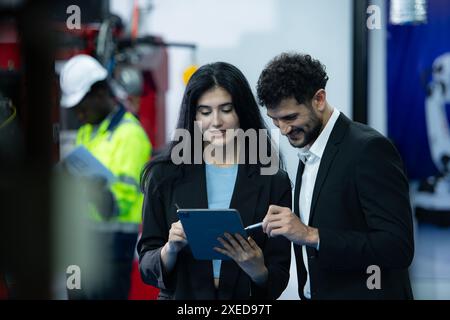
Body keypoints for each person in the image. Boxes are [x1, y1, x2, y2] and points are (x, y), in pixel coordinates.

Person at [257, 53, 414, 300]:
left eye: (290, 117)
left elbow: (397, 247)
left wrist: (310, 234)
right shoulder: (309, 148)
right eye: (275, 120)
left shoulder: (369, 149)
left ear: (319, 99)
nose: (284, 130)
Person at [137, 62, 291, 300]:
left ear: (242, 111)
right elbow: (147, 266)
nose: (216, 122)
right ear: (193, 116)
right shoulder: (164, 176)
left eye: (226, 109)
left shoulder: (273, 180)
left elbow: (278, 276)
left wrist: (257, 269)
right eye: (205, 112)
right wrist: (170, 249)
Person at [59, 54, 151, 299]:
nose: (79, 115)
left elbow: (114, 206)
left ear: (100, 93)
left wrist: (92, 189)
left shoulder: (130, 136)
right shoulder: (87, 132)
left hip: (111, 249)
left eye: (82, 107)